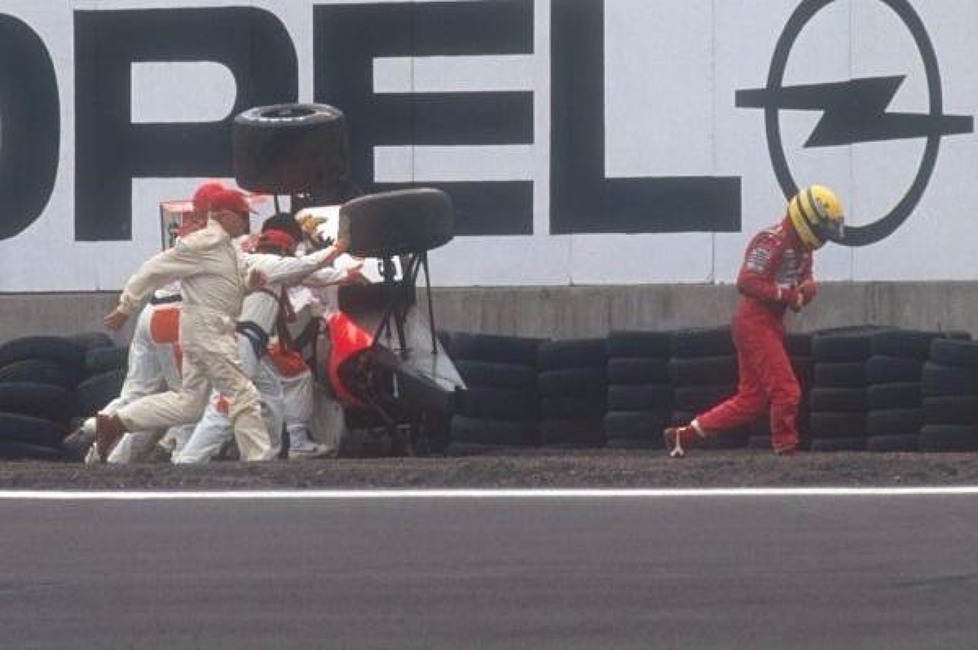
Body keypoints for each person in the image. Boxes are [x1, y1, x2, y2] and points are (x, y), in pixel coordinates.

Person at [663, 185, 845, 458]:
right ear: (807, 219)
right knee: (787, 390)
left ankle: (684, 435)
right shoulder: (772, 241)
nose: (823, 237)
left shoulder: (804, 249)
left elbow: (806, 279)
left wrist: (806, 291)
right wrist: (786, 295)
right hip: (754, 322)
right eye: (822, 229)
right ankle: (786, 447)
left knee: (752, 399)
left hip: (770, 324)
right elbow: (746, 281)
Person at [97, 184, 272, 462]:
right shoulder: (207, 241)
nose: (247, 221)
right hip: (192, 323)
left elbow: (228, 287)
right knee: (236, 394)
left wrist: (249, 284)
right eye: (243, 214)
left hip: (169, 316)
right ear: (223, 214)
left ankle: (113, 428)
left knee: (184, 402)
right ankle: (251, 459)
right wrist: (125, 305)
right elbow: (154, 269)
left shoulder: (211, 240)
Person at [172, 213, 345, 463]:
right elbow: (302, 268)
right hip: (239, 342)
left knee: (271, 393)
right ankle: (188, 461)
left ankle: (266, 456)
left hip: (238, 341)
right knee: (225, 407)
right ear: (284, 247)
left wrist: (342, 275)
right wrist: (338, 248)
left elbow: (304, 274)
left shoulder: (254, 261)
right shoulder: (267, 263)